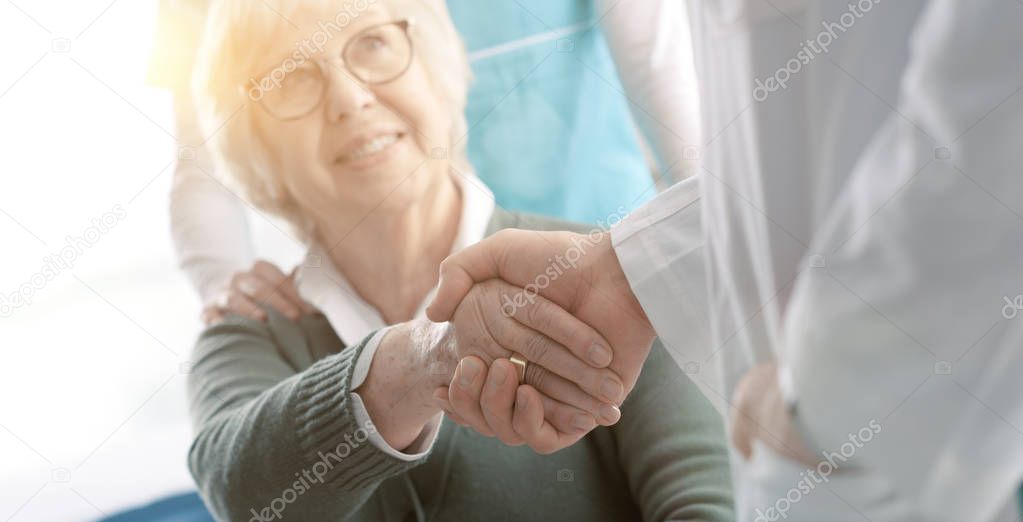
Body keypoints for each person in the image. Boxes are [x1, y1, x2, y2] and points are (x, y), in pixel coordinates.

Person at [424, 1, 1023, 522]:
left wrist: (841, 396)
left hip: (930, 459)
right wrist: (629, 273)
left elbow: (997, 116)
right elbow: (830, 152)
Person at [185, 0, 741, 522]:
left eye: (371, 44)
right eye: (291, 77)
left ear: (440, 67)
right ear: (251, 141)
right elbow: (250, 503)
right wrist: (425, 358)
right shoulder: (249, 329)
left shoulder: (612, 286)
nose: (348, 98)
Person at [148, 0, 699, 310]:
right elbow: (202, 161)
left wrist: (709, 252)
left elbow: (662, 74)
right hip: (407, 295)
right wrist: (226, 287)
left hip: (604, 252)